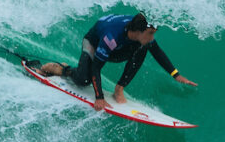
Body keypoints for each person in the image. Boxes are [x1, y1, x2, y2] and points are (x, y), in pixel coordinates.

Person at [38, 13, 197, 111]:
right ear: (137, 31)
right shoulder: (111, 37)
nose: (152, 37)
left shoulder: (140, 34)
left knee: (143, 48)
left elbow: (157, 51)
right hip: (94, 43)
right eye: (150, 33)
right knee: (83, 80)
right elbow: (96, 67)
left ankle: (119, 89)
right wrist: (99, 97)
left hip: (119, 48)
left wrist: (176, 75)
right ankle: (63, 69)